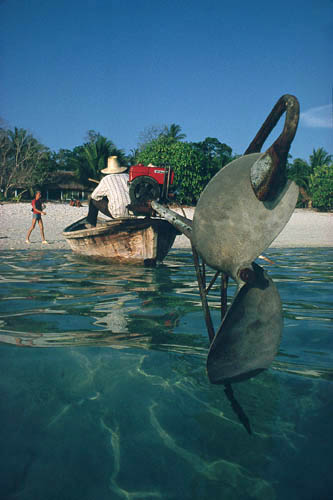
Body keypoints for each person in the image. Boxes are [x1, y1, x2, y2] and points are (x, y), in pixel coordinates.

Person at [85, 156, 131, 228]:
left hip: (117, 213)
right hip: (133, 212)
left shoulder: (106, 179)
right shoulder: (128, 177)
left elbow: (94, 196)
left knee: (93, 200)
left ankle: (91, 224)